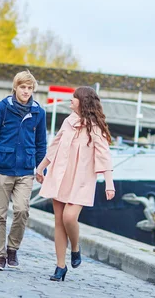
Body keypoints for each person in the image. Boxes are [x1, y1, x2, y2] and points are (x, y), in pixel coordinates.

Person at [36, 86, 115, 282]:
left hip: (81, 180)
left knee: (69, 218)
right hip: (60, 176)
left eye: (74, 97)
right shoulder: (68, 122)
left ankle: (75, 247)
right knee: (58, 222)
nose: (70, 100)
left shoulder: (95, 127)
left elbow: (104, 156)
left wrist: (109, 183)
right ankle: (60, 267)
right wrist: (41, 167)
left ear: (83, 101)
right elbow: (54, 145)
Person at [0, 70, 47, 271]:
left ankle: (12, 249)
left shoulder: (39, 112)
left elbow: (41, 144)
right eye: (22, 87)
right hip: (2, 168)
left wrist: (41, 168)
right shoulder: (2, 108)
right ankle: (0, 256)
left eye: (29, 88)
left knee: (21, 210)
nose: (26, 91)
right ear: (15, 88)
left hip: (26, 171)